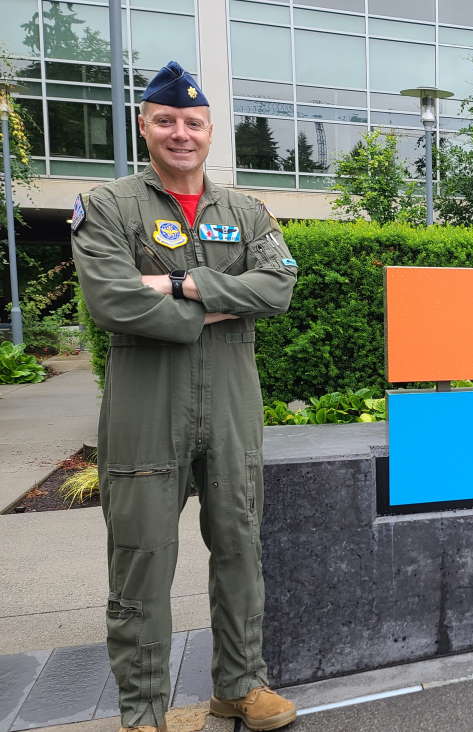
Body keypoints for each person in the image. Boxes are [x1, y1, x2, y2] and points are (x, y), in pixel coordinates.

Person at [72, 61, 299, 732]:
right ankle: (144, 711)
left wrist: (174, 284)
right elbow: (112, 301)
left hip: (229, 403)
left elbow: (279, 287)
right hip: (146, 406)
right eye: (166, 121)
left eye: (193, 123)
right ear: (143, 125)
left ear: (210, 131)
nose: (181, 133)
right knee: (141, 559)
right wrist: (224, 301)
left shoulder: (245, 211)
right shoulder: (109, 206)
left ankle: (241, 685)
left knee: (239, 548)